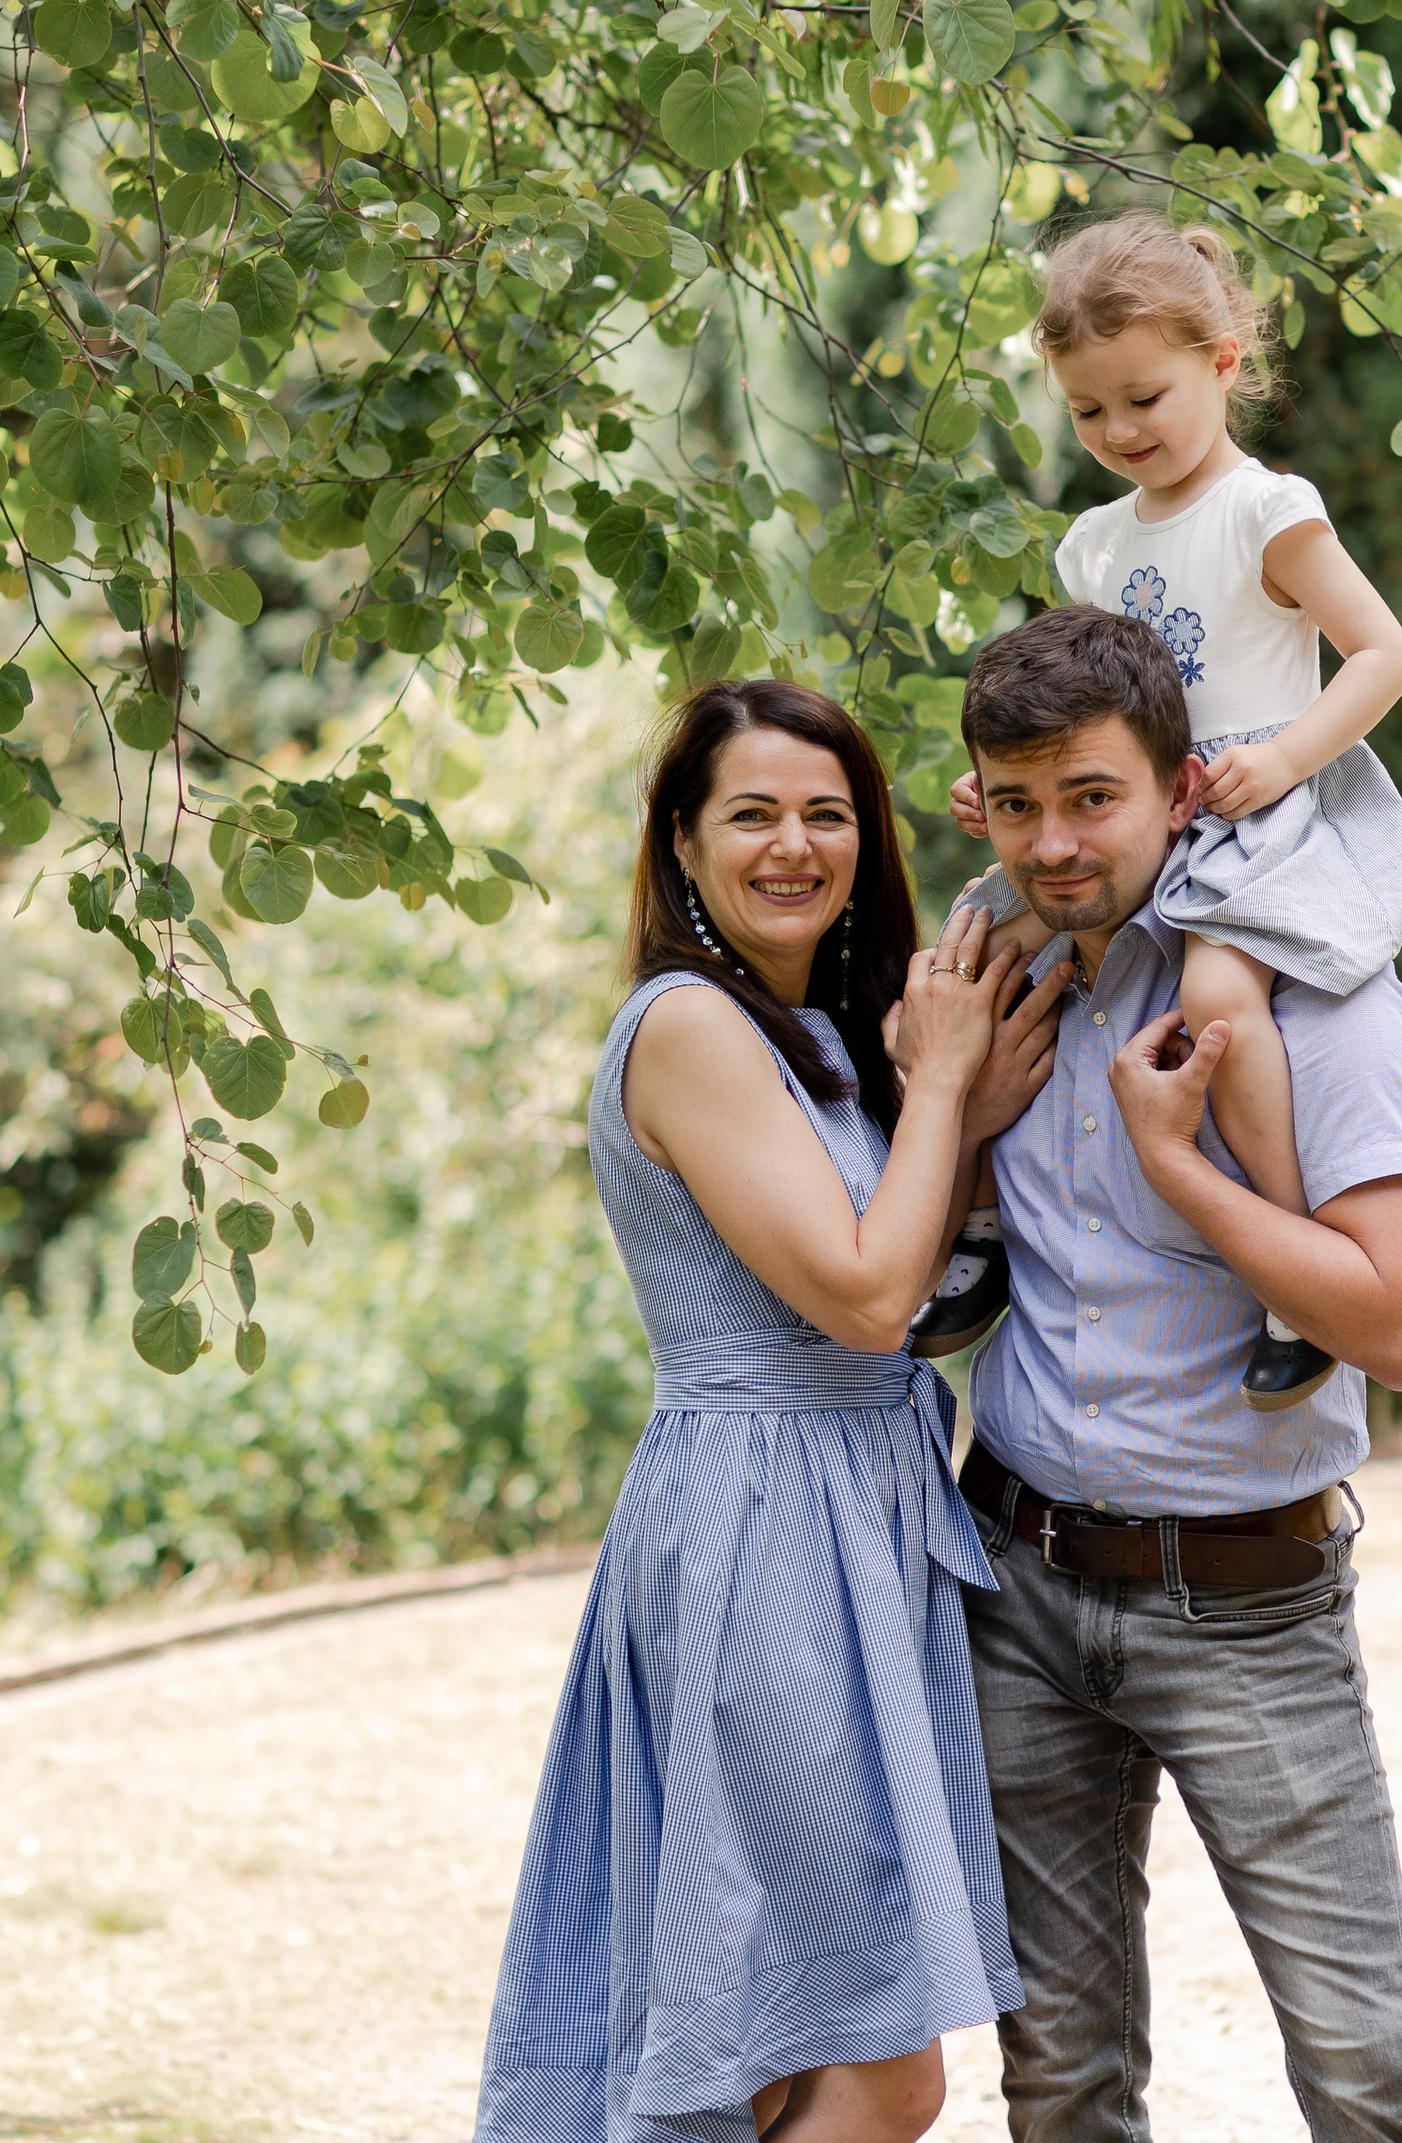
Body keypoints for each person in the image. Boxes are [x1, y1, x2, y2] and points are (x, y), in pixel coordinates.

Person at [471, 679, 1070, 2143]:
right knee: (876, 2060)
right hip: (764, 1538)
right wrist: (941, 1093)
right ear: (682, 844)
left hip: (856, 1517)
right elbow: (869, 1302)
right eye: (752, 814)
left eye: (828, 812)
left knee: (792, 2044)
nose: (794, 844)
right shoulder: (687, 1029)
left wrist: (958, 1121)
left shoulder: (808, 1039)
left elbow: (912, 1289)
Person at [955, 604, 1402, 2143]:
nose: (1054, 842)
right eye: (1020, 802)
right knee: (1060, 2082)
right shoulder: (1004, 998)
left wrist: (1189, 1172)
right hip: (1021, 1590)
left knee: (1366, 2074)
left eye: (1093, 797)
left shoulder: (1327, 1011)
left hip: (1246, 1605)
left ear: (1182, 791)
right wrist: (956, 1115)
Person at [931, 212, 1402, 1408]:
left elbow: (1381, 655)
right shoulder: (1095, 543)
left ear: (1222, 362)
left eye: (1143, 398)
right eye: (1089, 412)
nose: (1119, 432)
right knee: (970, 960)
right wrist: (1010, 786)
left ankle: (1286, 1263)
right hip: (1133, 813)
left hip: (1248, 810)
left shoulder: (1267, 511)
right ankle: (978, 1225)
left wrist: (1289, 757)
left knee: (1215, 998)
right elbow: (1084, 705)